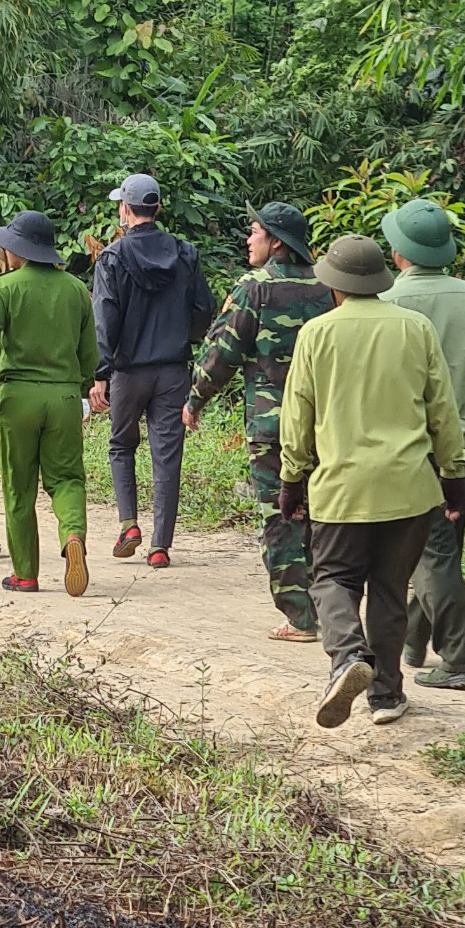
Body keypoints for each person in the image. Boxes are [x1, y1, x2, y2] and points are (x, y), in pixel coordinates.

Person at [278, 234, 465, 729]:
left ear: (333, 285)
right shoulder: (415, 328)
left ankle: (347, 657)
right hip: (409, 488)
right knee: (388, 588)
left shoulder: (317, 334)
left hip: (341, 489)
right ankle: (385, 696)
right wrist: (452, 474)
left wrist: (290, 479)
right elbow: (441, 410)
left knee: (333, 579)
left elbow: (298, 416)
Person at [381, 199, 465, 690]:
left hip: (415, 445)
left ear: (398, 252)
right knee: (441, 545)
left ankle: (460, 661)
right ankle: (416, 640)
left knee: (430, 552)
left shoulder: (389, 302)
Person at [184, 201, 332, 639]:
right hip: (325, 424)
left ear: (277, 242)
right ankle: (335, 608)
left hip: (273, 426)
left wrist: (195, 401)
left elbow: (222, 354)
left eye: (255, 232)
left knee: (281, 516)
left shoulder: (255, 287)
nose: (249, 239)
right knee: (323, 515)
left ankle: (301, 617)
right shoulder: (331, 285)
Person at [0, 211, 98, 597]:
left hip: (19, 397)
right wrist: (86, 388)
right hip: (63, 397)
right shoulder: (76, 289)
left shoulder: (3, 289)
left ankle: (26, 574)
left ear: (16, 251)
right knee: (67, 479)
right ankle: (73, 534)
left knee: (19, 487)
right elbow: (90, 353)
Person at [89, 174, 215, 569]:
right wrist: (185, 337)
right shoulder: (185, 253)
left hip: (128, 371)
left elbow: (105, 319)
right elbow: (203, 309)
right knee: (167, 455)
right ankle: (160, 546)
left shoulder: (111, 257)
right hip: (173, 370)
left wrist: (101, 372)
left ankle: (129, 524)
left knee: (121, 446)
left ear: (125, 209)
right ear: (157, 208)